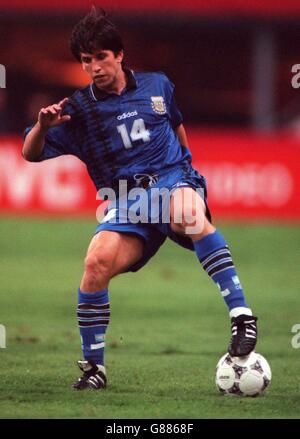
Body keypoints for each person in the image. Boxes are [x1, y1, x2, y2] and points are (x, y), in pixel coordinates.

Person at [22, 8, 257, 391]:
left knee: (186, 210)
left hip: (172, 179)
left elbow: (177, 126)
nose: (94, 67)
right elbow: (30, 154)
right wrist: (43, 128)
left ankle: (242, 316)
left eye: (100, 57)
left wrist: (186, 174)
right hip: (125, 201)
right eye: (86, 60)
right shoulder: (78, 110)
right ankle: (94, 368)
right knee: (96, 261)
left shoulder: (157, 85)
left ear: (118, 55)